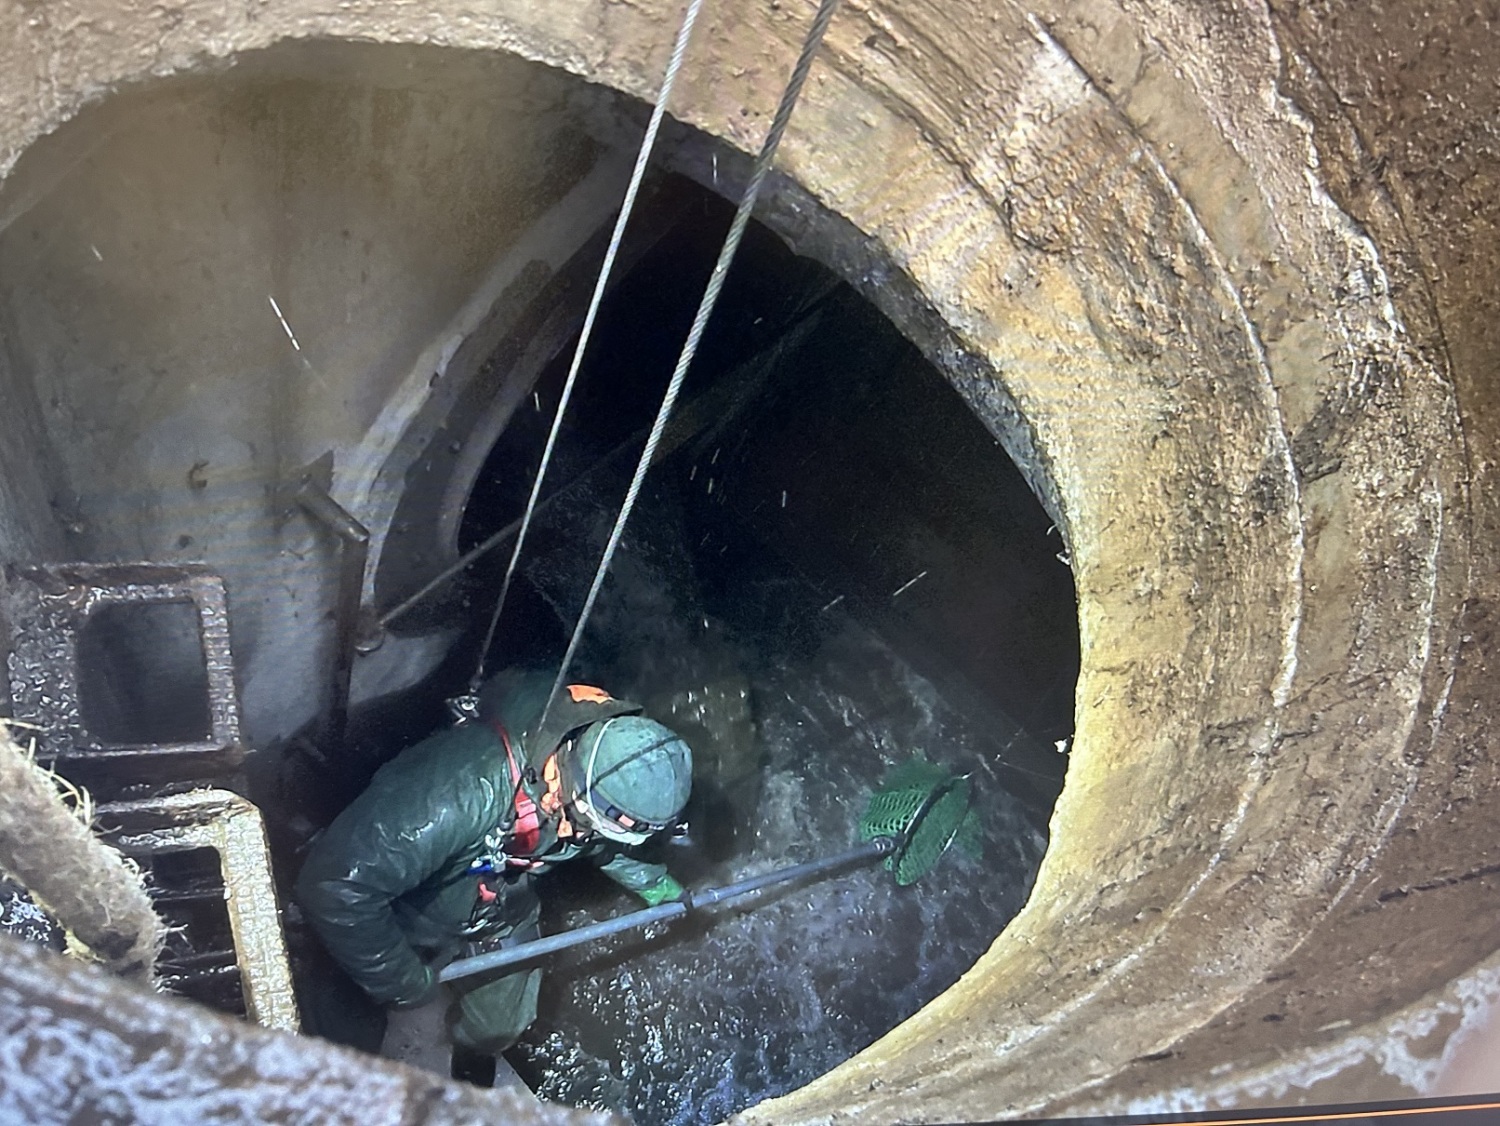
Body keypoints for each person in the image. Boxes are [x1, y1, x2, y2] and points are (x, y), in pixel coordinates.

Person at [295, 667, 693, 1060]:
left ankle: (458, 1039)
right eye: (585, 823)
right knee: (340, 1034)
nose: (577, 836)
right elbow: (334, 887)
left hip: (497, 906)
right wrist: (409, 989)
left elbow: (604, 842)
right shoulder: (460, 794)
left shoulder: (604, 769)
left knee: (497, 1029)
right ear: (564, 784)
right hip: (411, 905)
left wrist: (656, 886)